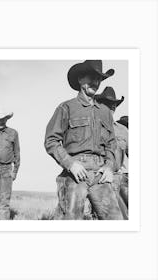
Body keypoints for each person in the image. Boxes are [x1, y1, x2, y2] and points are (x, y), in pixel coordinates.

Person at [44, 60, 123, 220]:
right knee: (71, 221)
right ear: (80, 79)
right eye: (91, 77)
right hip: (75, 174)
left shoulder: (105, 112)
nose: (95, 82)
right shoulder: (66, 108)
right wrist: (70, 164)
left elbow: (112, 144)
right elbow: (51, 140)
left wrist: (109, 167)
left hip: (101, 174)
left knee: (116, 221)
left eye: (99, 79)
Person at [96, 87, 129, 215]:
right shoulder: (93, 127)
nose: (112, 107)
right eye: (108, 104)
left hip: (119, 180)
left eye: (114, 105)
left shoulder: (122, 130)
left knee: (124, 217)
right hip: (98, 179)